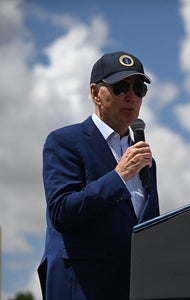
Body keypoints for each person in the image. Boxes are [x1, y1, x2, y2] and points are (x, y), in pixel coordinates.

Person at [38, 51, 160, 299]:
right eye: (120, 87)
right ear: (95, 93)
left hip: (133, 286)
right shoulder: (65, 141)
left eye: (139, 89)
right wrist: (119, 176)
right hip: (82, 285)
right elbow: (61, 211)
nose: (131, 96)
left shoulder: (146, 160)